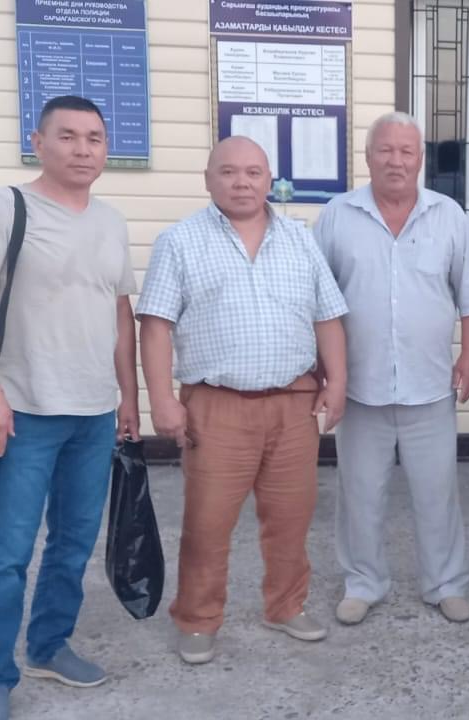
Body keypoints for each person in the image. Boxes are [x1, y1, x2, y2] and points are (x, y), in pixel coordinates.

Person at [0, 95, 140, 720]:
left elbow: (120, 314)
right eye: (68, 136)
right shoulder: (2, 208)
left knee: (73, 542)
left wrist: (128, 397)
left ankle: (49, 645)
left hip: (94, 412)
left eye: (94, 138)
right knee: (7, 552)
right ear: (38, 142)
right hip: (23, 411)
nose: (83, 149)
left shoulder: (111, 222)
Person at [137, 137, 349, 665]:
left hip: (293, 403)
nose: (242, 182)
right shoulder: (180, 241)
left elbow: (327, 316)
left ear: (269, 179)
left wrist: (338, 381)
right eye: (229, 172)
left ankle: (286, 605)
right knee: (208, 524)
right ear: (208, 179)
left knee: (291, 518)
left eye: (253, 172)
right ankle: (197, 618)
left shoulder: (299, 239)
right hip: (217, 406)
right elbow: (156, 326)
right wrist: (161, 399)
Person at [313, 112, 469, 625]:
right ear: (368, 156)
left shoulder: (448, 215)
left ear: (420, 159)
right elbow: (317, 299)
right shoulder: (337, 216)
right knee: (359, 494)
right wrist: (324, 374)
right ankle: (363, 583)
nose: (396, 161)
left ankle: (445, 583)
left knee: (437, 493)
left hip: (430, 385)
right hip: (359, 388)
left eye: (406, 151)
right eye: (386, 150)